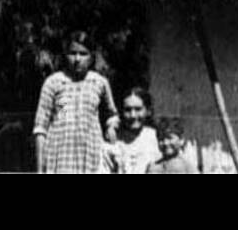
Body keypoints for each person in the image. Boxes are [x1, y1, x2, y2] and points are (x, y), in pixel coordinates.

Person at [33, 30, 117, 174]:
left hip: (91, 157)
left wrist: (111, 126)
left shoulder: (100, 82)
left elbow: (112, 114)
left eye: (83, 54)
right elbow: (41, 129)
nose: (77, 59)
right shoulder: (53, 82)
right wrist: (40, 170)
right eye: (72, 53)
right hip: (59, 158)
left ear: (91, 57)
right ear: (66, 55)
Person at [104, 87, 160, 174]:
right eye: (128, 110)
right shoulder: (114, 141)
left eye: (138, 109)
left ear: (148, 111)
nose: (133, 115)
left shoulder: (156, 137)